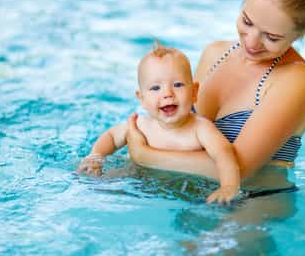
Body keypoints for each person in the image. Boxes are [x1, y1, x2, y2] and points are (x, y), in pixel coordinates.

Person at [125, 0, 305, 189]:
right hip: (193, 189)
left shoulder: (296, 79)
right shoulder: (214, 53)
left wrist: (145, 156)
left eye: (271, 37)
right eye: (247, 21)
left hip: (255, 203)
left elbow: (241, 168)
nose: (250, 42)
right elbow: (183, 131)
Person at [77, 42, 241, 204]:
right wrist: (95, 156)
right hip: (136, 181)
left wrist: (229, 186)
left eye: (177, 85)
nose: (167, 94)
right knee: (97, 185)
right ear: (142, 99)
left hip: (185, 192)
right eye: (155, 88)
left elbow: (224, 154)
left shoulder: (201, 128)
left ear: (194, 92)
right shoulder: (141, 126)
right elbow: (111, 136)